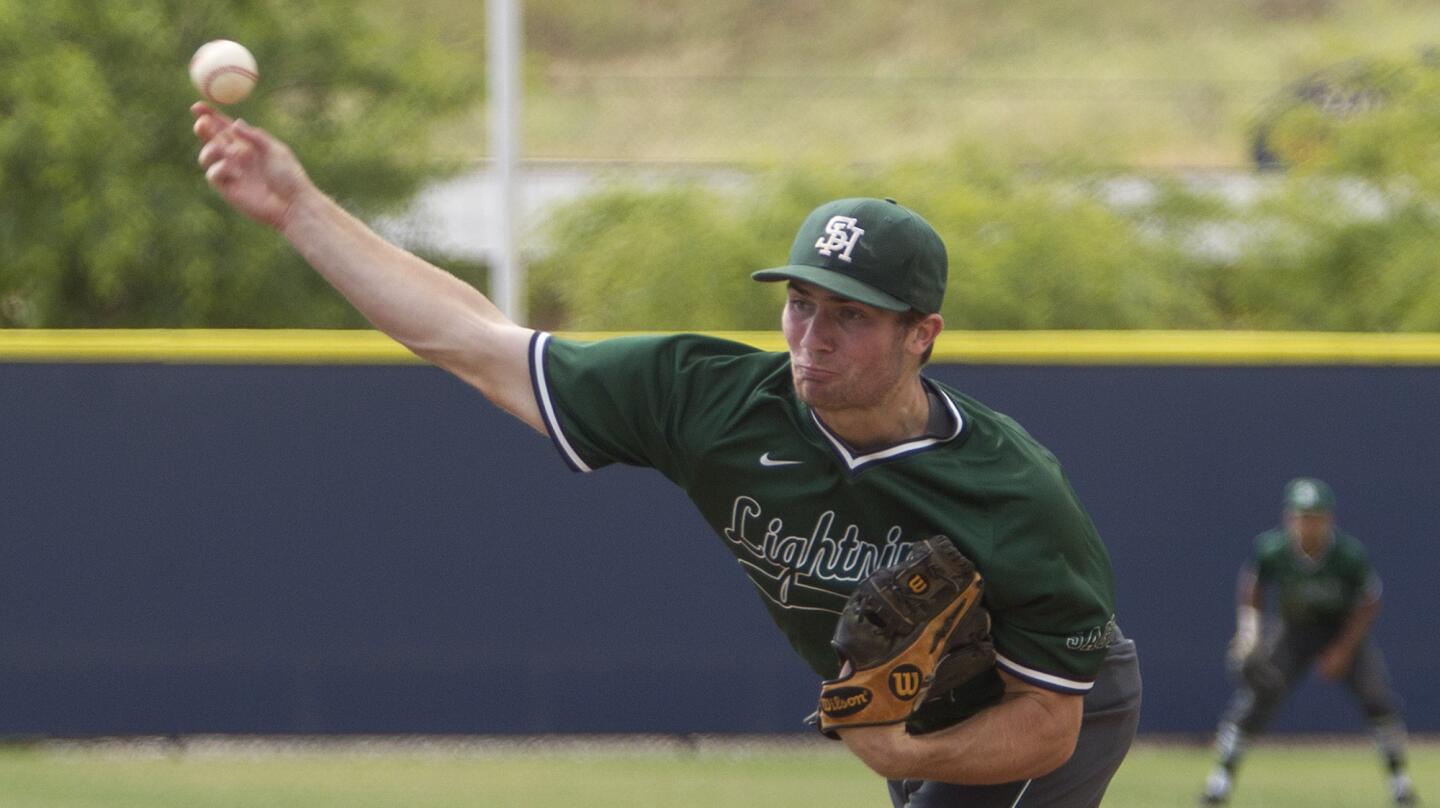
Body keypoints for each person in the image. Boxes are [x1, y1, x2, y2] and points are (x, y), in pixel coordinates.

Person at [192, 102, 1141, 808]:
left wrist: (902, 755)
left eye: (848, 317)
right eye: (800, 303)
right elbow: (476, 343)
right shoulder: (711, 399)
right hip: (914, 723)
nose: (810, 336)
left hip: (1045, 708)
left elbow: (1050, 722)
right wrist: (301, 210)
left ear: (921, 334)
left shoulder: (1012, 492)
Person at [1200, 478, 1416, 806]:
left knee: (1375, 696)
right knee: (1256, 696)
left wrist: (1343, 650)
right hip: (1294, 631)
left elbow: (1370, 600)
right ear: (1289, 518)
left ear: (1329, 519)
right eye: (1302, 516)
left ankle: (1400, 784)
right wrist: (1250, 631)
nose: (1308, 525)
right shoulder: (1273, 548)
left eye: (1315, 517)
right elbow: (1253, 584)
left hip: (1340, 630)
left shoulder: (1347, 554)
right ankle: (1219, 784)